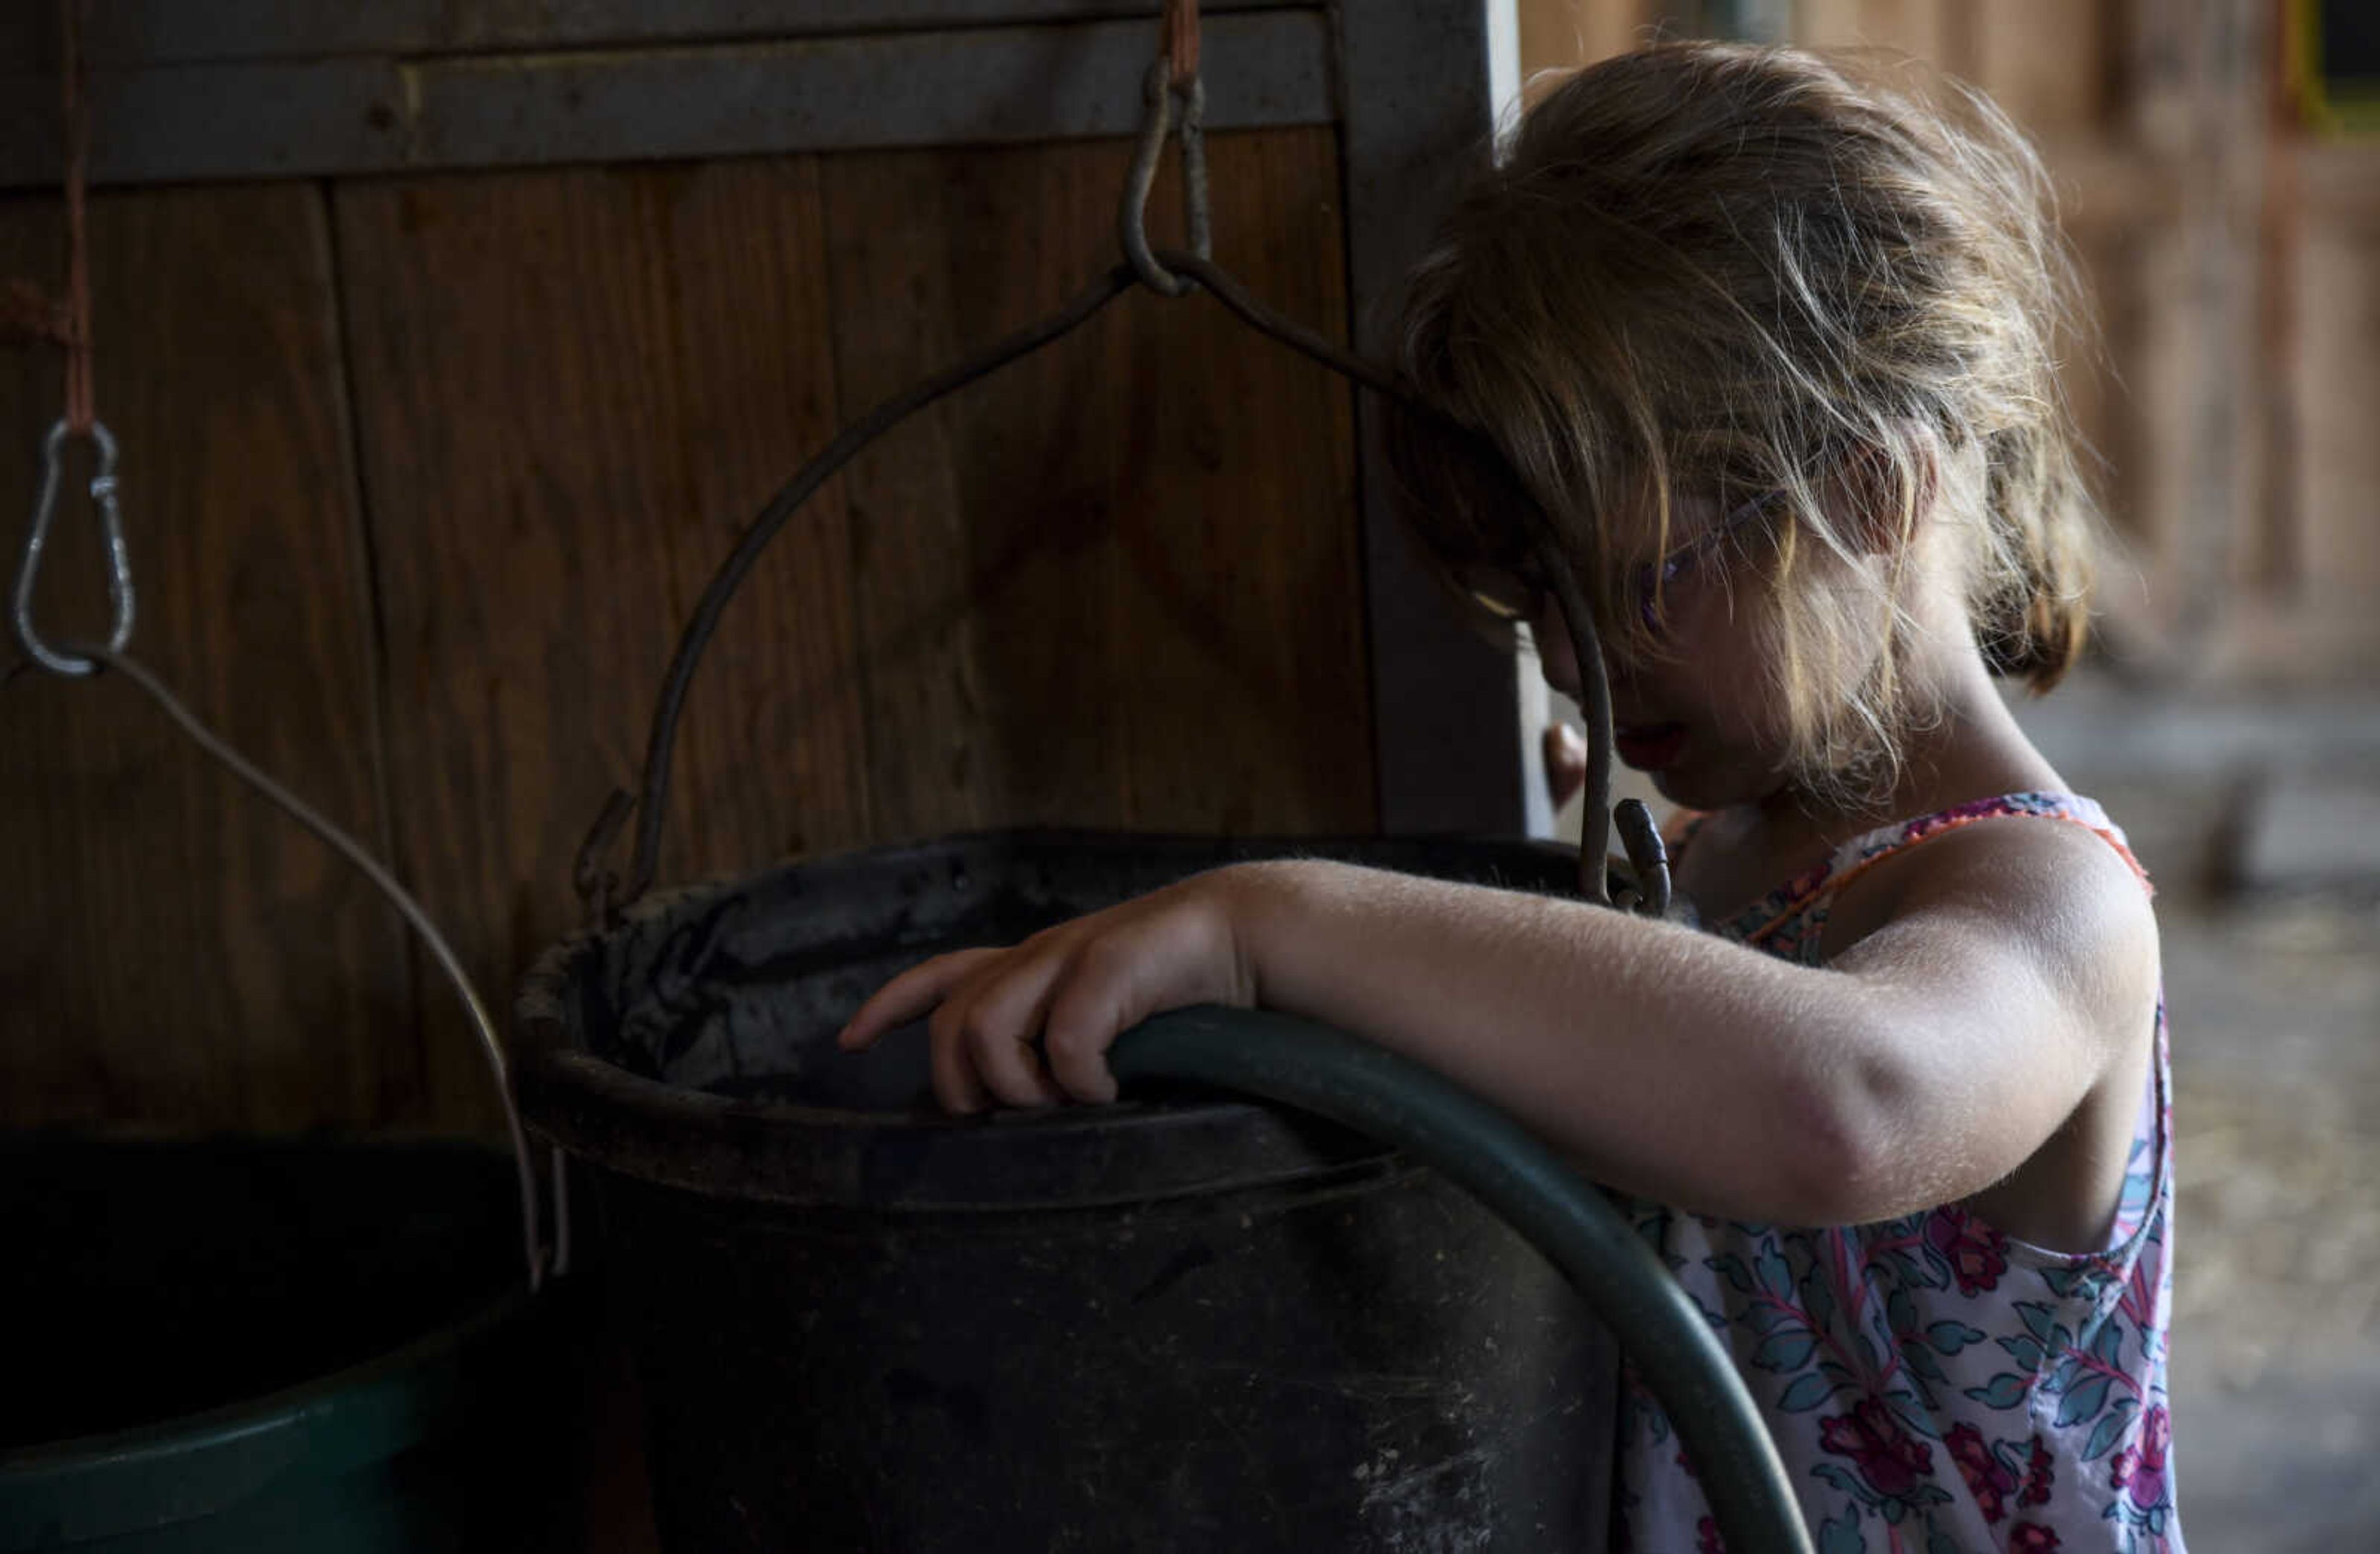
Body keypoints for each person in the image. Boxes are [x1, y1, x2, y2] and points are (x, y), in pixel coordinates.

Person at [841, 41, 2177, 1554]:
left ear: (1871, 489)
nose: (1566, 657)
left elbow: (1845, 1111)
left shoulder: (2054, 904)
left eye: (1635, 584)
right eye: (1533, 600)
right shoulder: (1743, 855)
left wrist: (1270, 926)